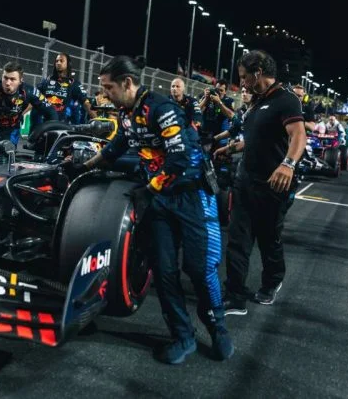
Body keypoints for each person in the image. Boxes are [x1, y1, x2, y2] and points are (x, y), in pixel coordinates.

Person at [77, 55, 234, 364]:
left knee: (200, 269)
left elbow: (179, 158)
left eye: (108, 87)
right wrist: (83, 167)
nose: (104, 94)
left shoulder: (162, 109)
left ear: (127, 83)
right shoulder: (126, 113)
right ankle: (183, 336)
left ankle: (218, 328)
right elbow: (115, 148)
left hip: (192, 195)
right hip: (160, 199)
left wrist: (149, 189)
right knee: (163, 271)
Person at [214, 50, 306, 315]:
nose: (242, 82)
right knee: (238, 239)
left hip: (273, 185)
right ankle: (235, 295)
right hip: (245, 181)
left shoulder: (286, 99)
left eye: (244, 77)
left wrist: (288, 164)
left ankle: (272, 282)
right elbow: (255, 139)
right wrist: (231, 148)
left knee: (268, 239)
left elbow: (298, 135)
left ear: (258, 73)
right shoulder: (255, 102)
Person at [0, 62, 58, 171]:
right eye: (5, 78)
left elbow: (50, 111)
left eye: (12, 79)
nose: (8, 83)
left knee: (5, 161)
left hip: (11, 129)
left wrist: (52, 133)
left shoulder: (29, 91)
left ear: (21, 80)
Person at [32, 53, 95, 127]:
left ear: (68, 64)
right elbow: (32, 98)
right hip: (45, 125)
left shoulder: (74, 84)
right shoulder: (46, 81)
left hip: (63, 127)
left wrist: (97, 120)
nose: (58, 63)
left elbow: (86, 103)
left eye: (61, 61)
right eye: (57, 61)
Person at [199, 79, 235, 150]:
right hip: (205, 132)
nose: (218, 92)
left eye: (221, 90)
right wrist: (206, 99)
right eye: (217, 89)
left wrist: (219, 102)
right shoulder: (207, 97)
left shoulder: (228, 101)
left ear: (225, 92)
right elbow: (198, 111)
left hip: (219, 135)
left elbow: (231, 116)